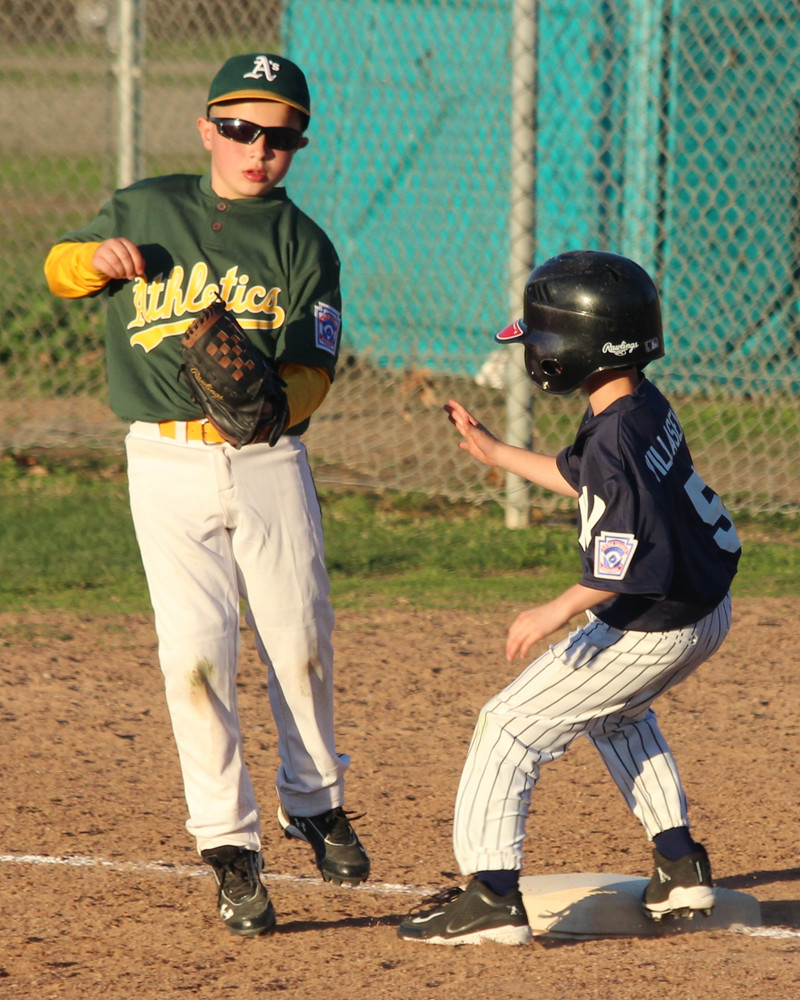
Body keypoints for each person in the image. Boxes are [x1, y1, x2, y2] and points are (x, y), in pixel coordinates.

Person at [44, 52, 369, 938]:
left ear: (298, 146)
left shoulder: (304, 245)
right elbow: (59, 269)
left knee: (301, 639)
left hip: (268, 460)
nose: (258, 149)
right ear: (207, 129)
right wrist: (92, 258)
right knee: (195, 655)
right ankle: (229, 848)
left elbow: (315, 365)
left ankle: (314, 801)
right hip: (165, 462)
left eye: (279, 137)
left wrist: (274, 405)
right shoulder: (145, 209)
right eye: (239, 129)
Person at [397, 249, 741, 946]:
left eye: (542, 338)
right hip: (703, 608)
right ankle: (681, 866)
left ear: (577, 347)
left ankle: (492, 897)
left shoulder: (613, 437)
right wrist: (499, 454)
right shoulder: (639, 406)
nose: (535, 349)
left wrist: (552, 611)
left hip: (649, 623)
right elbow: (597, 482)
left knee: (508, 726)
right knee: (616, 716)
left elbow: (620, 558)